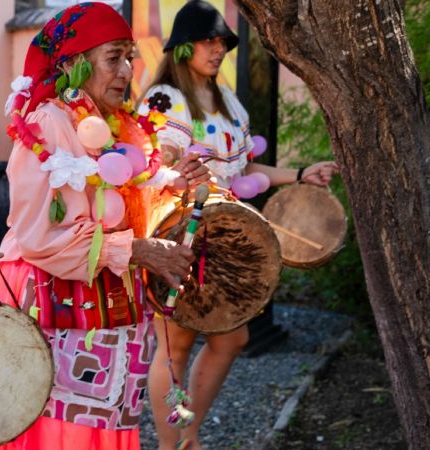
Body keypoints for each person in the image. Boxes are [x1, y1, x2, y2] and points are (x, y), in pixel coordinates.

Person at [0, 3, 211, 450]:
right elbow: (40, 239)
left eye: (130, 56)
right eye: (114, 57)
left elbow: (122, 203)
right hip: (51, 301)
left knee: (101, 424)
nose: (128, 70)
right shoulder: (49, 122)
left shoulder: (119, 125)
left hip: (104, 299)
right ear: (72, 63)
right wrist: (138, 251)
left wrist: (173, 184)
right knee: (57, 431)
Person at [138, 2, 339, 449]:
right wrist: (178, 170)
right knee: (175, 346)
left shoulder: (227, 101)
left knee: (232, 340)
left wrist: (301, 173)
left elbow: (245, 171)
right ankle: (171, 447)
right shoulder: (164, 100)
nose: (219, 49)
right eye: (209, 41)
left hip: (228, 240)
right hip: (181, 237)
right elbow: (156, 167)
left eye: (223, 42)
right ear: (184, 46)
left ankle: (190, 435)